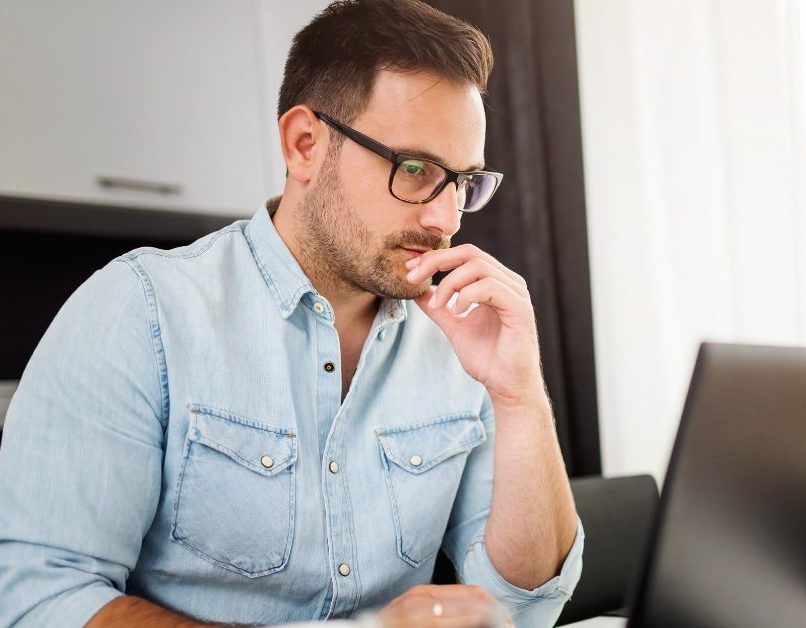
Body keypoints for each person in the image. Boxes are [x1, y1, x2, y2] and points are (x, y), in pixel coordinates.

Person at [0, 1, 583, 626]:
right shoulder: (140, 312)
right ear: (305, 145)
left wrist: (519, 394)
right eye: (415, 170)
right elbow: (41, 599)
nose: (445, 220)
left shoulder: (460, 338)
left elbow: (526, 604)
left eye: (463, 183)